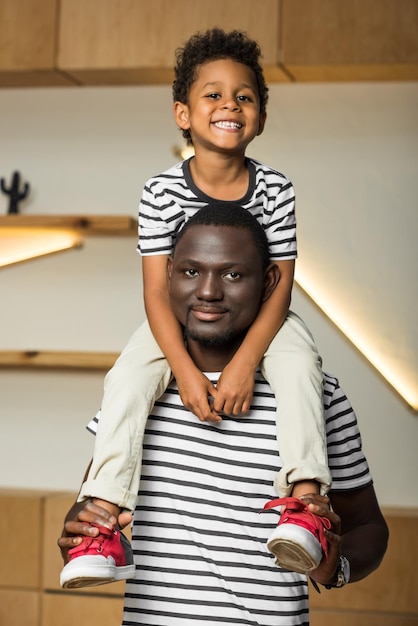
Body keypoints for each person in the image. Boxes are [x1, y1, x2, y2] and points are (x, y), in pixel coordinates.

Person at [60, 28, 332, 588]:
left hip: (263, 321)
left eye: (245, 96)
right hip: (175, 324)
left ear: (259, 117)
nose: (230, 105)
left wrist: (243, 364)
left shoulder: (277, 189)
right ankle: (104, 522)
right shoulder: (160, 191)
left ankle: (306, 505)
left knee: (303, 367)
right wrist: (184, 370)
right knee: (127, 378)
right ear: (182, 113)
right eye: (213, 94)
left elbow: (279, 287)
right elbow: (158, 292)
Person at [58, 204, 388, 626]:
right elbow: (87, 505)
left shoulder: (314, 393)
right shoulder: (136, 391)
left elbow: (368, 526)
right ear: (169, 275)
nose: (208, 292)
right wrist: (78, 530)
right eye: (191, 272)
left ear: (269, 283)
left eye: (233, 275)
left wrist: (335, 568)